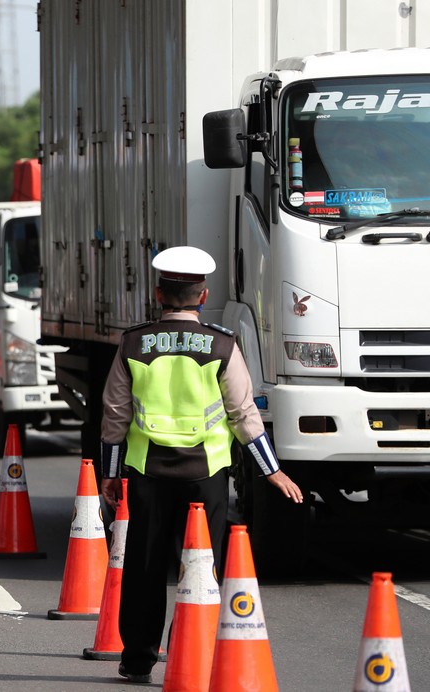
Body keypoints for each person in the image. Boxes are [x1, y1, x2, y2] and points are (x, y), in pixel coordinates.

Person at [98, 246, 304, 685]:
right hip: (206, 473)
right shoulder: (222, 344)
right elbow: (243, 413)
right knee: (201, 566)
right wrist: (272, 471)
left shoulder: (133, 343)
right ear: (204, 294)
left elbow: (115, 414)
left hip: (146, 471)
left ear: (158, 293)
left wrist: (110, 473)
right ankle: (192, 651)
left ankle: (136, 660)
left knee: (145, 567)